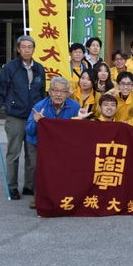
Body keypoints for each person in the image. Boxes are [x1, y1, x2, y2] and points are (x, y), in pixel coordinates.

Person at [0, 35, 46, 201]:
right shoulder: (10, 67)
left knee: (32, 154)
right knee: (13, 153)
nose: (27, 50)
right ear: (18, 49)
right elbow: (0, 90)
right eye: (24, 47)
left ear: (34, 49)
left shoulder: (39, 68)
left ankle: (29, 185)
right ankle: (12, 187)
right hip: (15, 116)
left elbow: (42, 92)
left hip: (34, 117)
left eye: (30, 47)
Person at [24, 76, 88, 208]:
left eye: (63, 91)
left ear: (67, 93)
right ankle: (37, 196)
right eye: (55, 90)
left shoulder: (74, 106)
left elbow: (78, 132)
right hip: (38, 143)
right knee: (36, 167)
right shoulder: (39, 106)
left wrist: (80, 120)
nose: (59, 94)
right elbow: (29, 132)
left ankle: (61, 194)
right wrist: (36, 121)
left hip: (61, 145)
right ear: (49, 91)